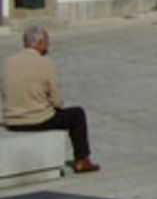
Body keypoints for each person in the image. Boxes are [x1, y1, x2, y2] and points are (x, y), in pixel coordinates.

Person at [2, 25, 100, 173]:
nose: (48, 45)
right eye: (46, 41)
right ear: (39, 43)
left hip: (12, 121)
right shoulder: (46, 63)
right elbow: (57, 101)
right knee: (77, 114)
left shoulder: (7, 63)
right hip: (38, 119)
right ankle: (82, 160)